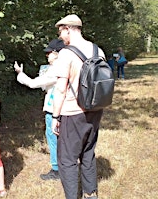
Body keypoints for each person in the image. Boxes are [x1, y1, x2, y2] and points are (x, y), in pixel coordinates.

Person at [51, 14, 105, 199]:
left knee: (67, 160)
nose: (61, 37)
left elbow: (60, 89)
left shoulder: (67, 54)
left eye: (61, 32)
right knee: (88, 152)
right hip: (96, 109)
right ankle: (90, 194)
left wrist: (55, 117)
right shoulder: (98, 51)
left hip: (72, 112)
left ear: (68, 29)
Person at [13, 38, 65, 180]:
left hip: (54, 110)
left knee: (53, 138)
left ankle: (56, 169)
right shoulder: (69, 65)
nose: (47, 55)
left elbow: (33, 83)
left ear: (56, 53)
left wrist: (19, 73)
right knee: (64, 139)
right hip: (66, 109)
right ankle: (66, 166)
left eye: (49, 52)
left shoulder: (56, 69)